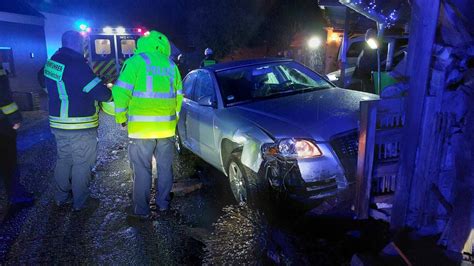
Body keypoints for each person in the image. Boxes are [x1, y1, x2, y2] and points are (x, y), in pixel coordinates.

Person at [112, 31, 183, 219]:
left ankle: (142, 210)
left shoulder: (136, 62)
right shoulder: (170, 65)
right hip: (166, 129)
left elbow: (120, 93)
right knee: (165, 168)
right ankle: (163, 205)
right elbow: (179, 96)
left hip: (142, 130)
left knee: (142, 170)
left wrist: (121, 118)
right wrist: (173, 120)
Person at [44, 31, 112, 211]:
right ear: (77, 43)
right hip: (79, 123)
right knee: (82, 163)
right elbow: (101, 94)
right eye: (82, 44)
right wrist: (109, 93)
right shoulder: (77, 63)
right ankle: (81, 202)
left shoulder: (52, 61)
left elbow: (44, 83)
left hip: (58, 123)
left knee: (64, 159)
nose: (83, 48)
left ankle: (60, 197)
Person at [0, 65, 34, 213]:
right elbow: (3, 96)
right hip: (2, 125)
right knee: (9, 163)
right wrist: (15, 118)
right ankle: (17, 197)